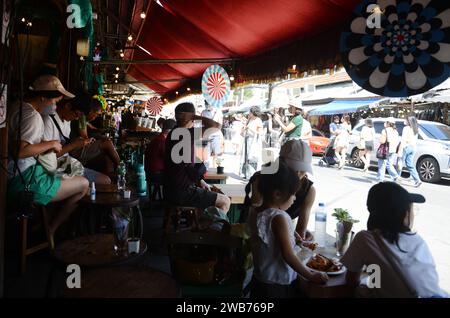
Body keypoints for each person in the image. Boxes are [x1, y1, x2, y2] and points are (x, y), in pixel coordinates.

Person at [7, 75, 89, 239]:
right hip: (23, 182)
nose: (55, 106)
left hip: (10, 175)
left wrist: (44, 143)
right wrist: (51, 144)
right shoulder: (33, 116)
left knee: (63, 175)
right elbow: (20, 151)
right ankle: (51, 230)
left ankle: (43, 225)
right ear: (43, 97)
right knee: (84, 184)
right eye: (55, 102)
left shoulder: (17, 106)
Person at [341, 182, 448, 298]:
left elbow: (351, 280)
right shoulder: (418, 242)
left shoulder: (365, 239)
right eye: (411, 209)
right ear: (403, 215)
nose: (412, 214)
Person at [248, 161, 328, 297]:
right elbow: (288, 255)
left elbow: (269, 239)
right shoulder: (279, 217)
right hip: (277, 286)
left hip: (260, 281)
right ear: (277, 194)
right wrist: (311, 275)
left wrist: (291, 234)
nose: (294, 198)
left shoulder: (255, 211)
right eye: (293, 194)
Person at [164, 102, 230, 212]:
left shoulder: (174, 133)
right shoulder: (187, 134)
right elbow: (217, 126)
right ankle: (215, 228)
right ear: (190, 117)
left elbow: (186, 166)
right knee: (225, 201)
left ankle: (208, 224)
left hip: (171, 190)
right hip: (183, 192)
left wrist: (200, 181)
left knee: (214, 195)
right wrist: (195, 116)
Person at [244, 140, 316, 240]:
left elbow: (301, 231)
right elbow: (257, 217)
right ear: (280, 162)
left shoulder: (308, 190)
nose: (298, 174)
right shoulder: (262, 178)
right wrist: (288, 231)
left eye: (303, 170)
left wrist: (301, 236)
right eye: (294, 168)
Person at [42, 91, 111, 185]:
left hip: (67, 163)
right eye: (77, 114)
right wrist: (74, 145)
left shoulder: (66, 120)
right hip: (54, 168)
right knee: (101, 182)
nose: (77, 118)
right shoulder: (47, 122)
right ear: (68, 106)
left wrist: (77, 143)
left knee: (106, 178)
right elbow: (47, 158)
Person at [71, 96, 120, 177]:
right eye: (96, 114)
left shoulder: (84, 119)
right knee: (107, 143)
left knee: (107, 155)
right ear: (90, 111)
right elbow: (85, 137)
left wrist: (99, 135)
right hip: (76, 151)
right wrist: (100, 138)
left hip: (78, 148)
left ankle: (111, 177)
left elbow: (92, 128)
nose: (95, 117)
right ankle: (121, 168)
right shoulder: (81, 118)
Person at [145, 118, 176, 184]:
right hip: (156, 174)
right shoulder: (162, 141)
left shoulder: (159, 138)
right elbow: (169, 159)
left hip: (151, 172)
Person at [398, 116, 422, 187]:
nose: (404, 121)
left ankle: (396, 178)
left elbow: (403, 139)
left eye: (406, 120)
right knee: (410, 164)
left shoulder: (406, 128)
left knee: (399, 162)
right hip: (413, 148)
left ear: (409, 121)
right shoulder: (416, 129)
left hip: (406, 147)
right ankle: (417, 180)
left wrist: (400, 149)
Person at [242, 106, 264, 176]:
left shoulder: (258, 121)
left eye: (250, 112)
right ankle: (245, 173)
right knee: (245, 157)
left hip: (254, 141)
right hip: (247, 139)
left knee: (252, 157)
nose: (249, 113)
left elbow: (260, 133)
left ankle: (251, 174)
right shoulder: (249, 119)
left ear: (253, 113)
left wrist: (250, 128)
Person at [201, 102, 224, 168]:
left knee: (217, 154)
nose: (207, 105)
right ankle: (205, 171)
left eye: (208, 103)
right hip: (206, 135)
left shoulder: (218, 112)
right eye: (205, 103)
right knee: (206, 155)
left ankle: (217, 170)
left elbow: (220, 125)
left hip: (216, 135)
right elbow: (201, 124)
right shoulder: (203, 112)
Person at [377, 118, 400, 183]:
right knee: (389, 164)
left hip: (385, 150)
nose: (384, 123)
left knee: (382, 165)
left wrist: (379, 139)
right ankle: (396, 176)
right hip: (393, 150)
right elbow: (397, 141)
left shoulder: (385, 130)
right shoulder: (395, 131)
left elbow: (382, 141)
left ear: (388, 123)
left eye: (385, 122)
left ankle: (380, 180)